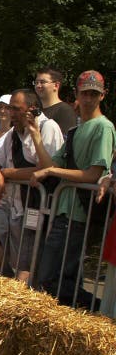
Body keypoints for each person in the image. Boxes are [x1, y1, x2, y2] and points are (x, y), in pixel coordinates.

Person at [32, 70, 116, 308]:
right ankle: (87, 313)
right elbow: (52, 163)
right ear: (77, 95)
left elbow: (92, 173)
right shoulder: (75, 131)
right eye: (85, 93)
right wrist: (35, 136)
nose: (88, 99)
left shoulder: (103, 127)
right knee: (59, 277)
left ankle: (96, 309)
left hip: (81, 212)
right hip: (64, 209)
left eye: (93, 94)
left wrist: (51, 172)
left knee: (51, 278)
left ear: (102, 96)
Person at [0, 89, 63, 282]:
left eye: (16, 109)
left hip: (34, 204)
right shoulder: (13, 133)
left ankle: (16, 294)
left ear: (31, 109)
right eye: (8, 108)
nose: (11, 113)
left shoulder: (48, 128)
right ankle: (6, 277)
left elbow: (46, 169)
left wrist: (5, 173)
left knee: (26, 264)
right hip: (10, 203)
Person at [34, 67, 77, 136]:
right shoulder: (36, 110)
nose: (38, 86)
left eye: (42, 82)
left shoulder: (65, 111)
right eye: (36, 82)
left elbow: (66, 143)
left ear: (56, 85)